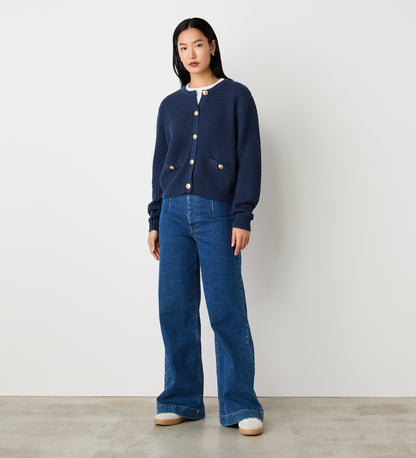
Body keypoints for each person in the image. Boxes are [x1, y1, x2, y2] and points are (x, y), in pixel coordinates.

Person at [147, 17, 264, 436]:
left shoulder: (236, 96)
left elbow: (249, 158)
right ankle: (180, 399)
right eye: (183, 47)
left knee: (226, 309)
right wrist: (155, 219)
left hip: (219, 214)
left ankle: (240, 405)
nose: (190, 54)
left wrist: (242, 215)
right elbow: (160, 164)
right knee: (174, 308)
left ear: (212, 46)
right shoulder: (170, 106)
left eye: (197, 44)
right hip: (173, 215)